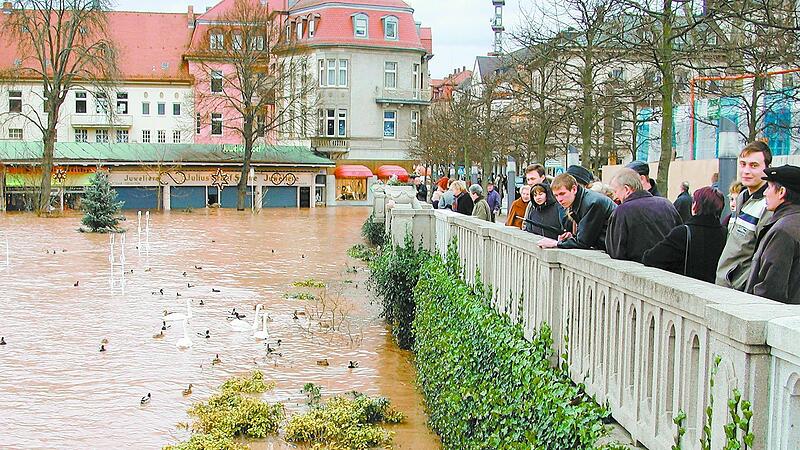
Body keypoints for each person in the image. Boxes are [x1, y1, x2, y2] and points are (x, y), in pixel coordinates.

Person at [716, 141, 773, 290]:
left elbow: (762, 258)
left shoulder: (767, 205)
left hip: (739, 290)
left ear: (767, 168)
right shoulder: (742, 197)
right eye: (743, 164)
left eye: (754, 165)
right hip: (725, 286)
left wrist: (744, 287)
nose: (746, 170)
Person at [643, 187, 727, 283]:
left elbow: (651, 258)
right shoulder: (725, 234)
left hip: (688, 289)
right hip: (716, 292)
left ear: (695, 206)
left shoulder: (682, 233)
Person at [745, 165, 800, 304]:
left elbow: (770, 289)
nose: (765, 193)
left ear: (781, 192)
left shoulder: (783, 230)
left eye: (768, 187)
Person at [606, 169, 682, 262]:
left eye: (615, 191)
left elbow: (616, 252)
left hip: (638, 267)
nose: (615, 196)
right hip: (670, 269)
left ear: (627, 189)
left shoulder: (622, 211)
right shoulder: (667, 204)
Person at [537, 173, 616, 250]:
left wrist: (556, 243)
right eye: (556, 195)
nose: (559, 199)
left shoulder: (592, 203)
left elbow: (583, 242)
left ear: (574, 189)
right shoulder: (583, 200)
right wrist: (572, 237)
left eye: (562, 194)